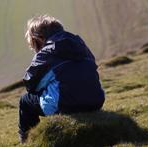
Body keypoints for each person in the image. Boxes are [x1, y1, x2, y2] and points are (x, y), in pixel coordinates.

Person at [18, 15, 105, 144]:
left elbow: (31, 85)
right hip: (95, 101)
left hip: (65, 105)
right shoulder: (80, 45)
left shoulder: (46, 53)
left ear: (38, 39)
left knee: (26, 100)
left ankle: (28, 140)